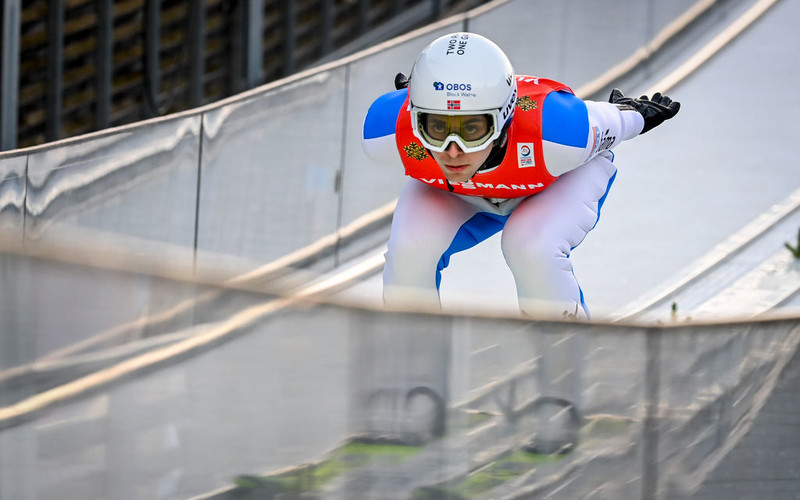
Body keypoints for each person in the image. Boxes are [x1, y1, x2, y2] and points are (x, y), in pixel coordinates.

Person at [362, 32, 680, 319]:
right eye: (437, 128)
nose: (454, 151)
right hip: (459, 192)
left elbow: (618, 119)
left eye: (472, 129)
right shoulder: (387, 130)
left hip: (555, 181)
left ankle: (565, 370)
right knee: (409, 253)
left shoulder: (559, 133)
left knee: (532, 248)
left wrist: (635, 114)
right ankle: (413, 371)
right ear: (415, 119)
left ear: (504, 120)